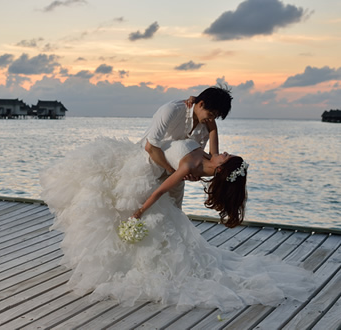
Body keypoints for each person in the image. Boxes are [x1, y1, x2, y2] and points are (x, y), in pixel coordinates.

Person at [40, 137, 316, 311]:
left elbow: (159, 191)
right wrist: (211, 123)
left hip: (149, 182)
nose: (223, 152)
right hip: (146, 169)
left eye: (226, 156)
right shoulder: (208, 159)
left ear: (221, 168)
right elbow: (212, 141)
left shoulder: (191, 167)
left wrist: (139, 212)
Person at [140, 86, 232, 209]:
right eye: (210, 114)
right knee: (143, 207)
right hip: (149, 164)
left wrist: (194, 174)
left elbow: (203, 158)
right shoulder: (173, 110)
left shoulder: (206, 127)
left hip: (177, 173)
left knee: (174, 213)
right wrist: (172, 171)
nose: (211, 120)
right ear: (201, 104)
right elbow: (150, 147)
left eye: (214, 118)